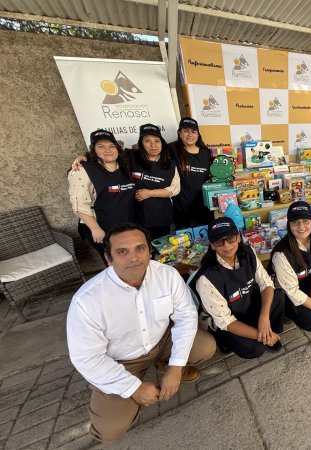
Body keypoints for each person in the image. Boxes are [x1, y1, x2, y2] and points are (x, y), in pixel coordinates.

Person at [66, 224, 216, 443]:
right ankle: (121, 396)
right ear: (108, 258)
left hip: (161, 341)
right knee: (109, 432)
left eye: (140, 248)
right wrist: (134, 389)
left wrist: (176, 368)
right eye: (122, 251)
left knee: (205, 347)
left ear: (149, 251)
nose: (133, 257)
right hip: (121, 361)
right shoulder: (87, 300)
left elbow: (186, 316)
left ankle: (165, 366)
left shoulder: (167, 275)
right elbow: (87, 358)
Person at [195, 217, 285, 359]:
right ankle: (225, 341)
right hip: (229, 322)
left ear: (238, 237)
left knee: (278, 295)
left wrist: (264, 317)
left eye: (230, 238)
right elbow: (227, 321)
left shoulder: (248, 253)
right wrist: (262, 335)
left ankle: (267, 329)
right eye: (219, 241)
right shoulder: (206, 279)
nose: (226, 245)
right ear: (212, 245)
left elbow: (266, 283)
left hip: (247, 307)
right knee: (256, 348)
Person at [68, 129, 136, 264]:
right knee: (115, 263)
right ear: (93, 150)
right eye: (101, 146)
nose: (108, 150)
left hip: (125, 224)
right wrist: (95, 228)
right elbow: (79, 204)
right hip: (101, 227)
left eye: (111, 146)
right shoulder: (83, 169)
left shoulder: (124, 165)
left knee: (131, 260)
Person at [269, 202, 311, 331]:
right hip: (286, 294)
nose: (301, 227)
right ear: (289, 225)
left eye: (305, 221)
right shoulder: (282, 254)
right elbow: (292, 291)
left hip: (304, 282)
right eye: (295, 222)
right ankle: (288, 314)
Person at [131, 124, 180, 239]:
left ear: (162, 143)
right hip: (137, 217)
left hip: (162, 216)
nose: (153, 145)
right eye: (147, 141)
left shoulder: (170, 164)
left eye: (157, 141)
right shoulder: (131, 158)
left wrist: (149, 193)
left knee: (162, 246)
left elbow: (175, 189)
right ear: (141, 143)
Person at [168, 117, 213, 228]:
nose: (190, 135)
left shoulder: (206, 152)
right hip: (181, 207)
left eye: (193, 132)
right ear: (179, 133)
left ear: (198, 134)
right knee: (184, 237)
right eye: (186, 131)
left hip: (204, 205)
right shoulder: (171, 150)